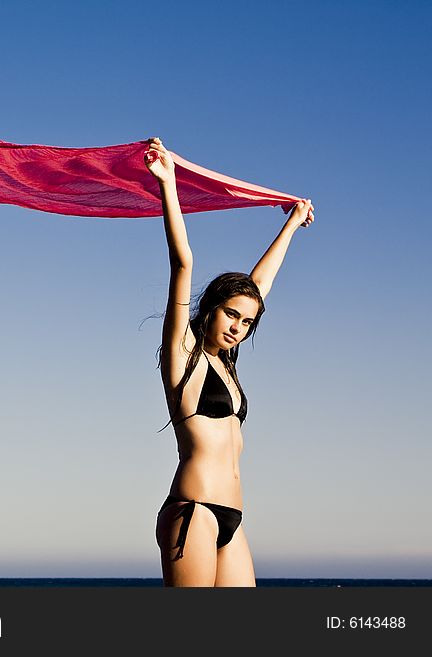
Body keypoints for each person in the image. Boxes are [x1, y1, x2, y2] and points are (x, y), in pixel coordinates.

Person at [144, 137, 314, 587]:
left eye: (247, 322)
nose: (239, 326)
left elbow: (259, 286)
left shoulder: (227, 363)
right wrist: (168, 183)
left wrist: (292, 225)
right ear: (212, 309)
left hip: (232, 518)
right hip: (193, 511)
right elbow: (182, 263)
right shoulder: (184, 357)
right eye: (231, 315)